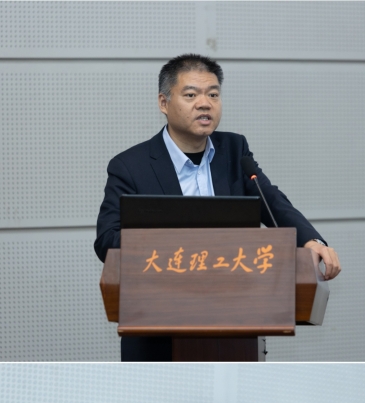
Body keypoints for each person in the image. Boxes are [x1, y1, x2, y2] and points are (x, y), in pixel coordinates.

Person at [95, 54, 341, 361]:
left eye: (213, 94)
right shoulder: (130, 166)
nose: (205, 103)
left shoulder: (234, 151)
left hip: (236, 325)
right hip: (158, 331)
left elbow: (272, 201)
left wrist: (311, 241)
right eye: (191, 95)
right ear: (163, 103)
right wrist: (180, 247)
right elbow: (107, 240)